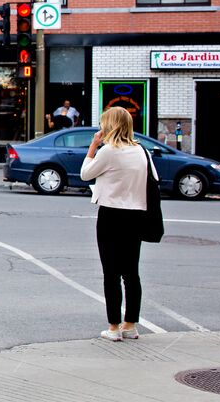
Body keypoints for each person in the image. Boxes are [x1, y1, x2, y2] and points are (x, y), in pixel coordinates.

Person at [80, 106, 156, 342]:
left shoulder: (108, 151)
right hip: (136, 214)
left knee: (110, 273)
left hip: (111, 215)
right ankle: (130, 324)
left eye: (104, 123)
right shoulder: (142, 151)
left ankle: (113, 327)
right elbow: (153, 179)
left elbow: (85, 174)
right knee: (131, 273)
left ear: (110, 125)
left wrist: (93, 147)